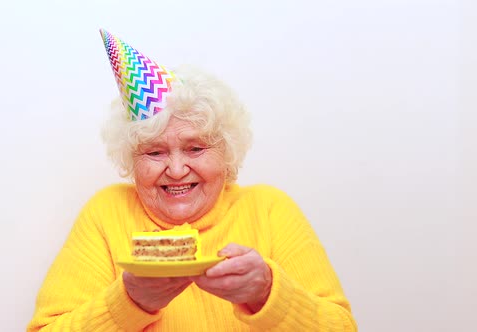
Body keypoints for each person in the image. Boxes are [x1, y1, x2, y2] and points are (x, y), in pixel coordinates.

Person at [27, 29, 357, 331]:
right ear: (131, 159)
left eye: (195, 148)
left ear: (226, 151)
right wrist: (130, 302)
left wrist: (268, 293)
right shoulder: (107, 213)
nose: (175, 169)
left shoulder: (270, 210)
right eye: (154, 153)